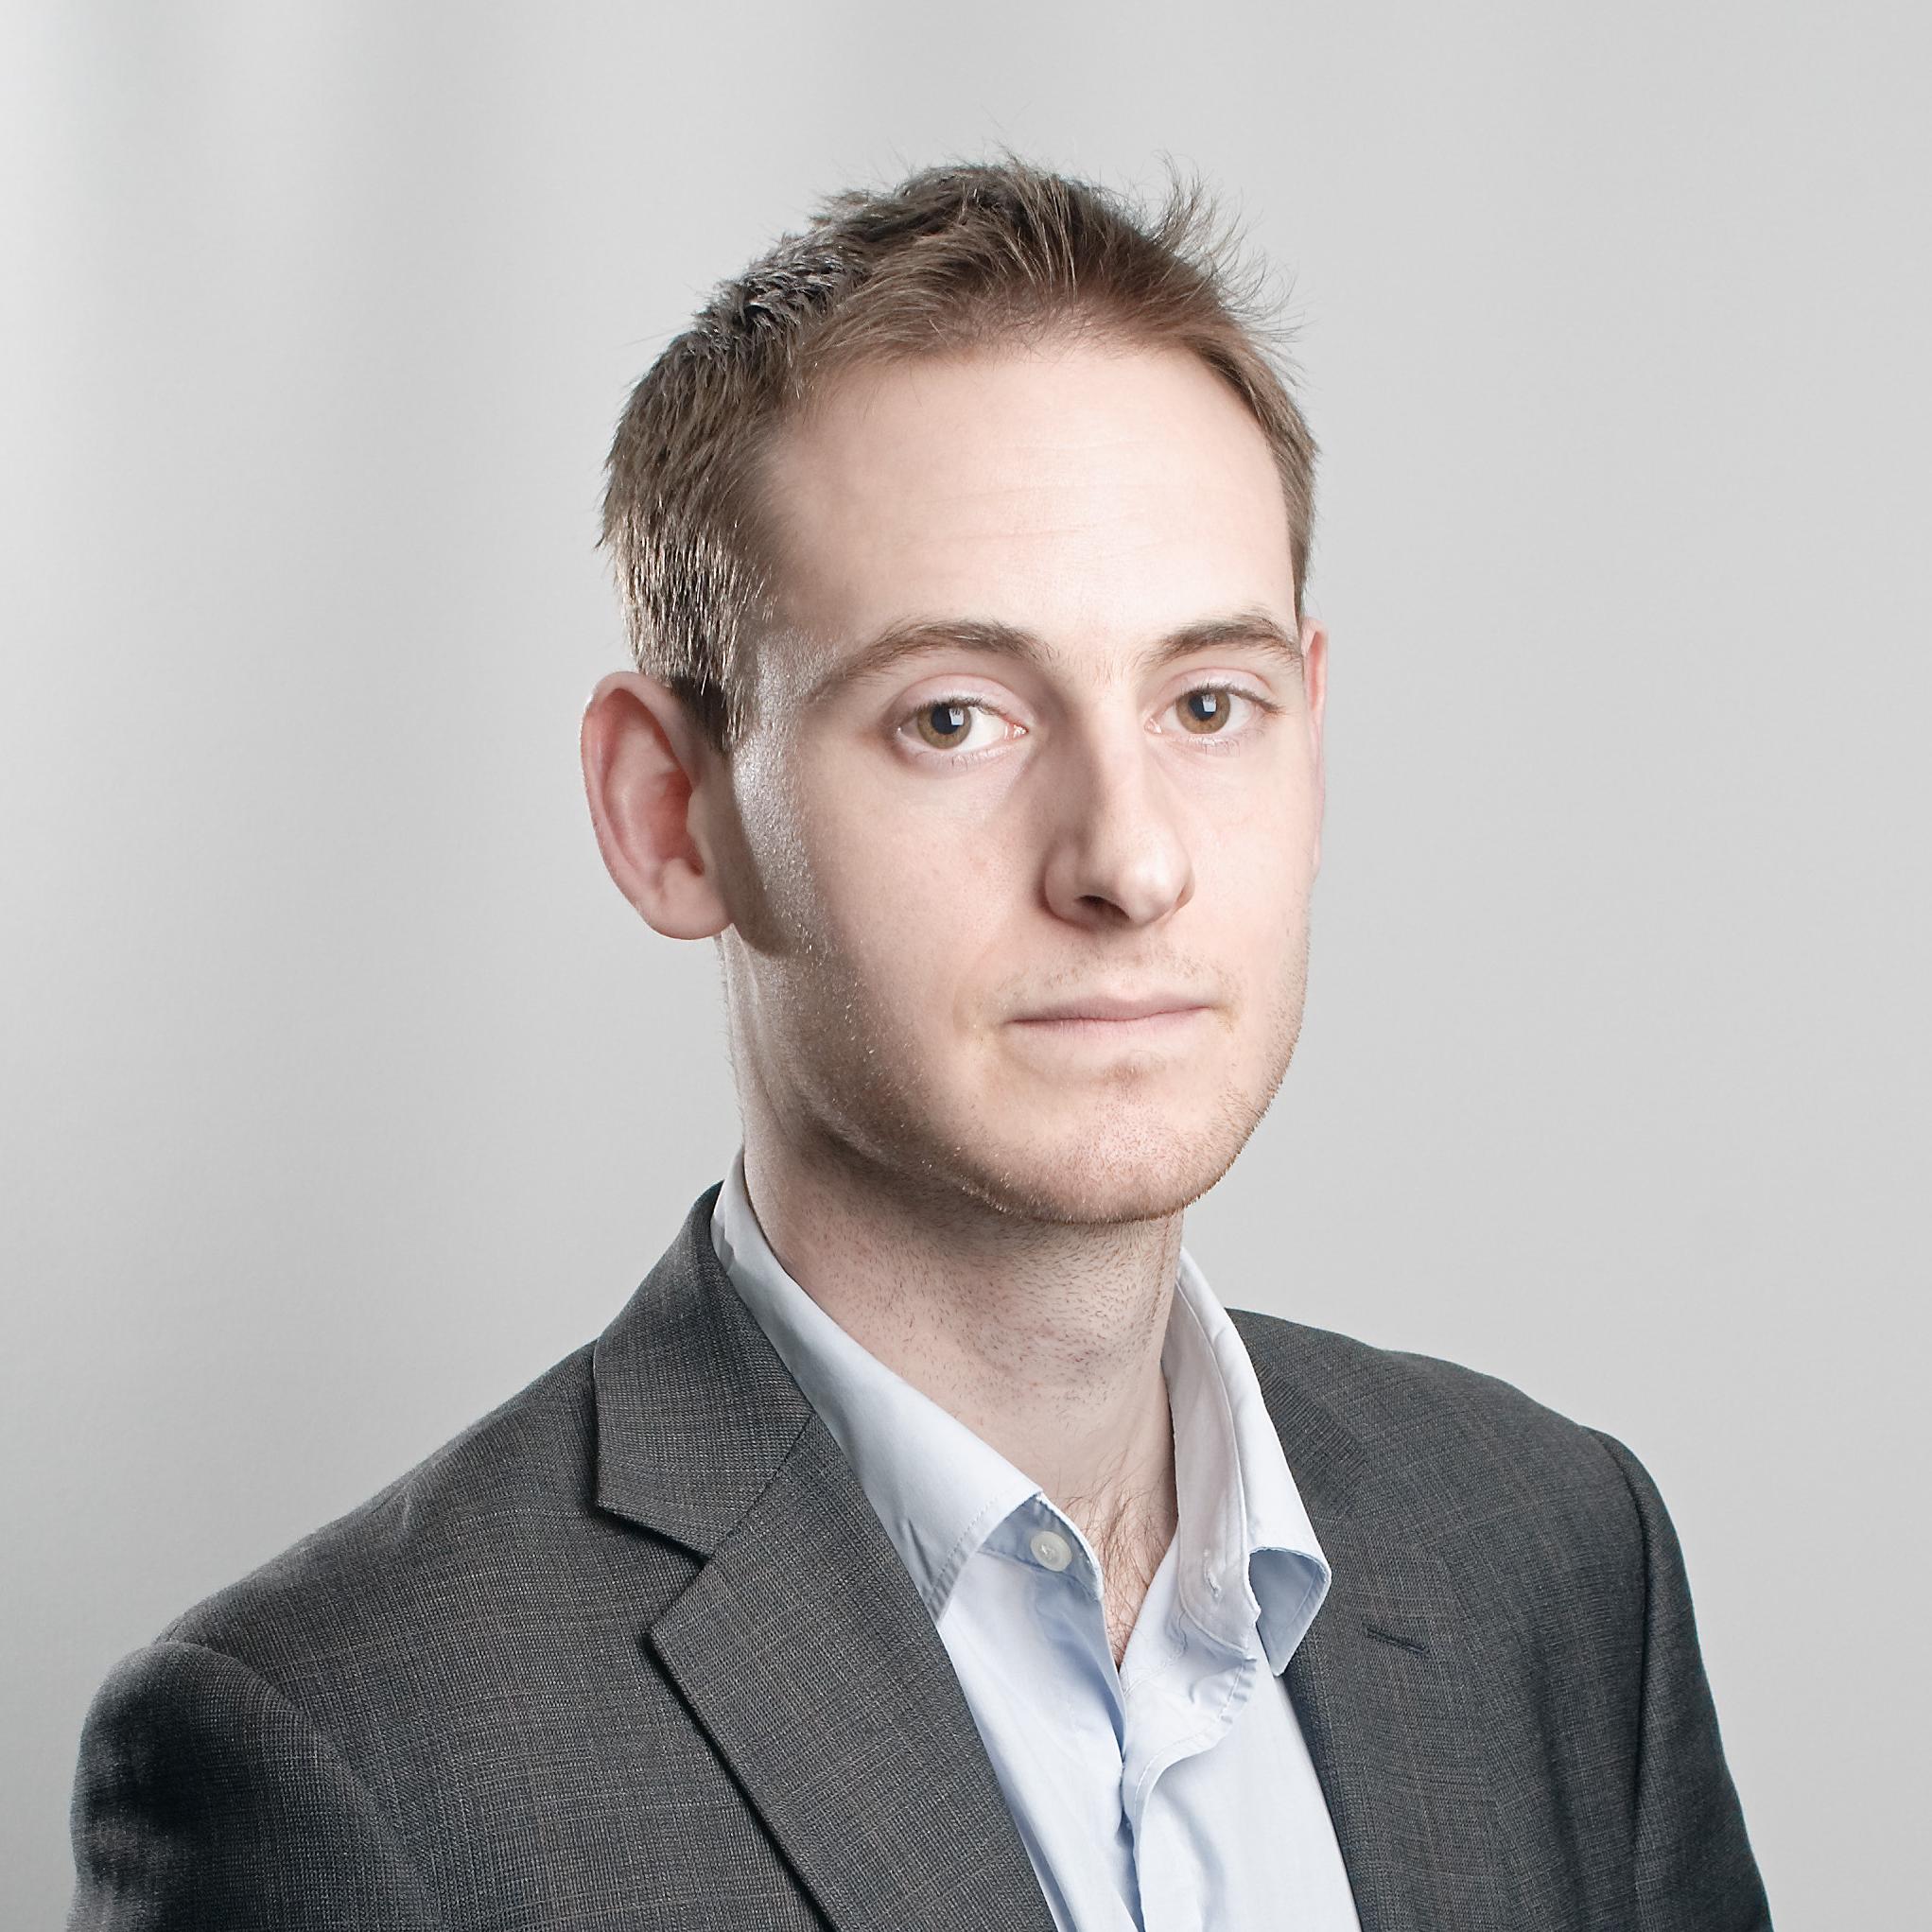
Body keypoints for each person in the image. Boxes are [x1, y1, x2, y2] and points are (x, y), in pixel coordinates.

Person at [66, 157, 1771, 1931]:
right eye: (954, 717)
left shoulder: (1556, 1558)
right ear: (670, 813)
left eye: (1209, 704)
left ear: (1313, 738)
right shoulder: (349, 1760)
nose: (1128, 860)